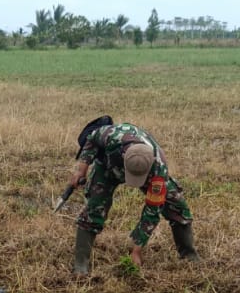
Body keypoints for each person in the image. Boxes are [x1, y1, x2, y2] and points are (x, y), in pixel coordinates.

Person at [66, 115, 197, 274]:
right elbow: (91, 139)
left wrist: (137, 250)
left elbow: (152, 212)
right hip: (108, 167)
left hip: (147, 171)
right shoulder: (111, 136)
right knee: (94, 208)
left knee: (177, 206)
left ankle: (189, 256)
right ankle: (80, 266)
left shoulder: (158, 172)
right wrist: (81, 169)